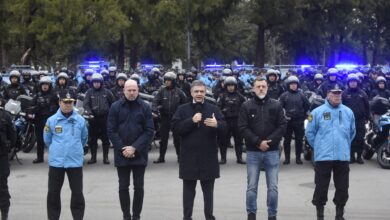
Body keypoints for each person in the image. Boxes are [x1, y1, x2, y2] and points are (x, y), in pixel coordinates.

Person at [172, 80, 226, 220]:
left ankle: (209, 217)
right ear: (191, 93)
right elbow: (176, 129)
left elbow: (226, 129)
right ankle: (187, 217)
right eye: (196, 91)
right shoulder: (182, 109)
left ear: (205, 93)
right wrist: (191, 121)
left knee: (208, 193)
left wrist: (217, 125)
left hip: (208, 158)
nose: (199, 94)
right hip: (189, 158)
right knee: (188, 193)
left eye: (202, 91)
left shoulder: (213, 109)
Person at [238, 77, 286, 220]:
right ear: (253, 88)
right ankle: (251, 214)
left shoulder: (276, 105)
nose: (261, 89)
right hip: (253, 152)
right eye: (258, 86)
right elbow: (242, 127)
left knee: (273, 187)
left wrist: (269, 142)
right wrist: (258, 142)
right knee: (252, 187)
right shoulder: (246, 106)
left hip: (272, 152)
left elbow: (282, 126)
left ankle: (272, 215)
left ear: (267, 88)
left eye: (263, 86)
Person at [305, 84, 356, 220]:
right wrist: (318, 146)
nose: (337, 96)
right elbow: (309, 133)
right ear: (328, 95)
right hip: (323, 156)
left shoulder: (348, 112)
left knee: (342, 188)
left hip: (342, 156)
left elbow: (352, 132)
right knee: (321, 187)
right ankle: (320, 216)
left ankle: (339, 215)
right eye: (334, 93)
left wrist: (344, 145)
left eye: (339, 93)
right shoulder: (317, 112)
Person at [107, 79, 154, 220]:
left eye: (134, 90)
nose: (132, 93)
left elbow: (149, 130)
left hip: (139, 153)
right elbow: (111, 130)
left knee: (139, 187)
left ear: (138, 90)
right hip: (121, 153)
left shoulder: (145, 107)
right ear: (124, 90)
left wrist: (134, 147)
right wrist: (123, 148)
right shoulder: (115, 107)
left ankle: (136, 216)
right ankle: (126, 215)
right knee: (123, 187)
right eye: (129, 90)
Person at [44, 90, 88, 220]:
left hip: (75, 162)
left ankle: (78, 217)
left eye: (71, 102)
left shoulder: (80, 120)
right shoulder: (51, 120)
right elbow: (47, 140)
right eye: (65, 102)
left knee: (77, 193)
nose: (68, 105)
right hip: (56, 162)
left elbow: (84, 138)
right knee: (53, 193)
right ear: (59, 102)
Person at [152, 72, 186, 163]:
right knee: (163, 139)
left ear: (173, 81)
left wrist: (182, 113)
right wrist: (155, 110)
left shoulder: (179, 92)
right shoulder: (161, 91)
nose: (167, 82)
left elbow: (185, 104)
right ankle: (161, 157)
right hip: (165, 118)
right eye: (166, 80)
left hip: (176, 119)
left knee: (177, 139)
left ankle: (180, 157)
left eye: (169, 80)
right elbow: (155, 101)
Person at [83, 73, 115, 164]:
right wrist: (89, 113)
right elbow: (86, 104)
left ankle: (106, 157)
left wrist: (111, 115)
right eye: (94, 82)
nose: (96, 84)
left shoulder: (107, 92)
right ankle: (93, 157)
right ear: (92, 83)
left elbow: (113, 104)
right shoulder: (89, 92)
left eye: (98, 82)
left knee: (105, 138)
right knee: (93, 139)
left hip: (105, 118)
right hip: (93, 119)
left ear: (101, 82)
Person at [279, 76, 310, 165]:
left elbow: (307, 105)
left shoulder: (302, 95)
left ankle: (298, 158)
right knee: (287, 140)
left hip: (299, 120)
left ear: (297, 85)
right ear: (288, 85)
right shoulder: (284, 95)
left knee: (299, 140)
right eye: (291, 84)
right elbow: (280, 107)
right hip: (288, 121)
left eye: (295, 84)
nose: (293, 86)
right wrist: (284, 116)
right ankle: (287, 159)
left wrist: (303, 115)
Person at [217, 76, 246, 164]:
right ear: (225, 86)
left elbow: (245, 108)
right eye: (228, 85)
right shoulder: (222, 96)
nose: (230, 87)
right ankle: (223, 158)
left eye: (232, 85)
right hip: (226, 121)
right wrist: (222, 113)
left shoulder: (240, 96)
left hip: (237, 121)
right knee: (223, 140)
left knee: (239, 141)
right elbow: (217, 108)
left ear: (235, 86)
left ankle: (239, 158)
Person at [342, 74, 370, 164]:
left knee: (360, 138)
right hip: (348, 120)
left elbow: (367, 107)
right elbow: (340, 107)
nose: (353, 83)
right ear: (348, 83)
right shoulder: (344, 93)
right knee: (350, 138)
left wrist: (368, 117)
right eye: (351, 82)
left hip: (360, 120)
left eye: (355, 82)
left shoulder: (362, 93)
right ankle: (351, 156)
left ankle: (359, 156)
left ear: (357, 83)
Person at [31, 76, 57, 163]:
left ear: (49, 86)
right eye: (43, 85)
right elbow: (31, 108)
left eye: (46, 84)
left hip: (51, 122)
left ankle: (54, 157)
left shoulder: (54, 96)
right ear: (40, 86)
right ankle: (40, 157)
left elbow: (59, 107)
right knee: (40, 140)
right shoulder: (37, 96)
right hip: (39, 121)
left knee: (54, 140)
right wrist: (36, 108)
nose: (45, 86)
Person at [0, 99, 16, 220]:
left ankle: (4, 212)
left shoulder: (5, 115)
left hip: (1, 156)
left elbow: (13, 135)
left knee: (2, 186)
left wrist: (8, 148)